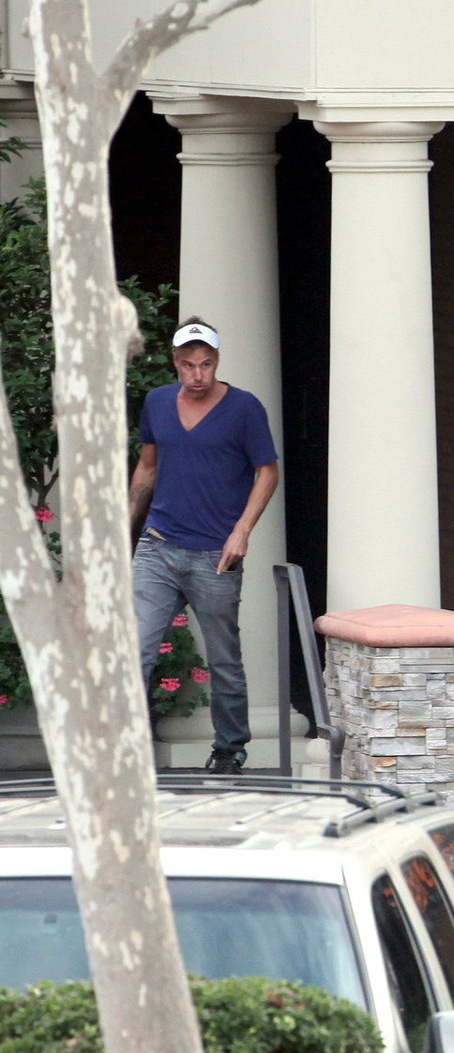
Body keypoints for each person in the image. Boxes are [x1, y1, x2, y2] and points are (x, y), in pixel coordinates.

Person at [128, 321, 280, 775]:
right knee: (135, 649)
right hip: (157, 546)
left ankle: (229, 748)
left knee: (223, 658)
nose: (198, 374)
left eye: (207, 364)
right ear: (175, 363)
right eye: (189, 365)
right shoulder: (156, 402)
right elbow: (146, 469)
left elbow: (267, 472)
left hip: (215, 554)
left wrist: (243, 530)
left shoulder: (244, 409)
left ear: (217, 361)